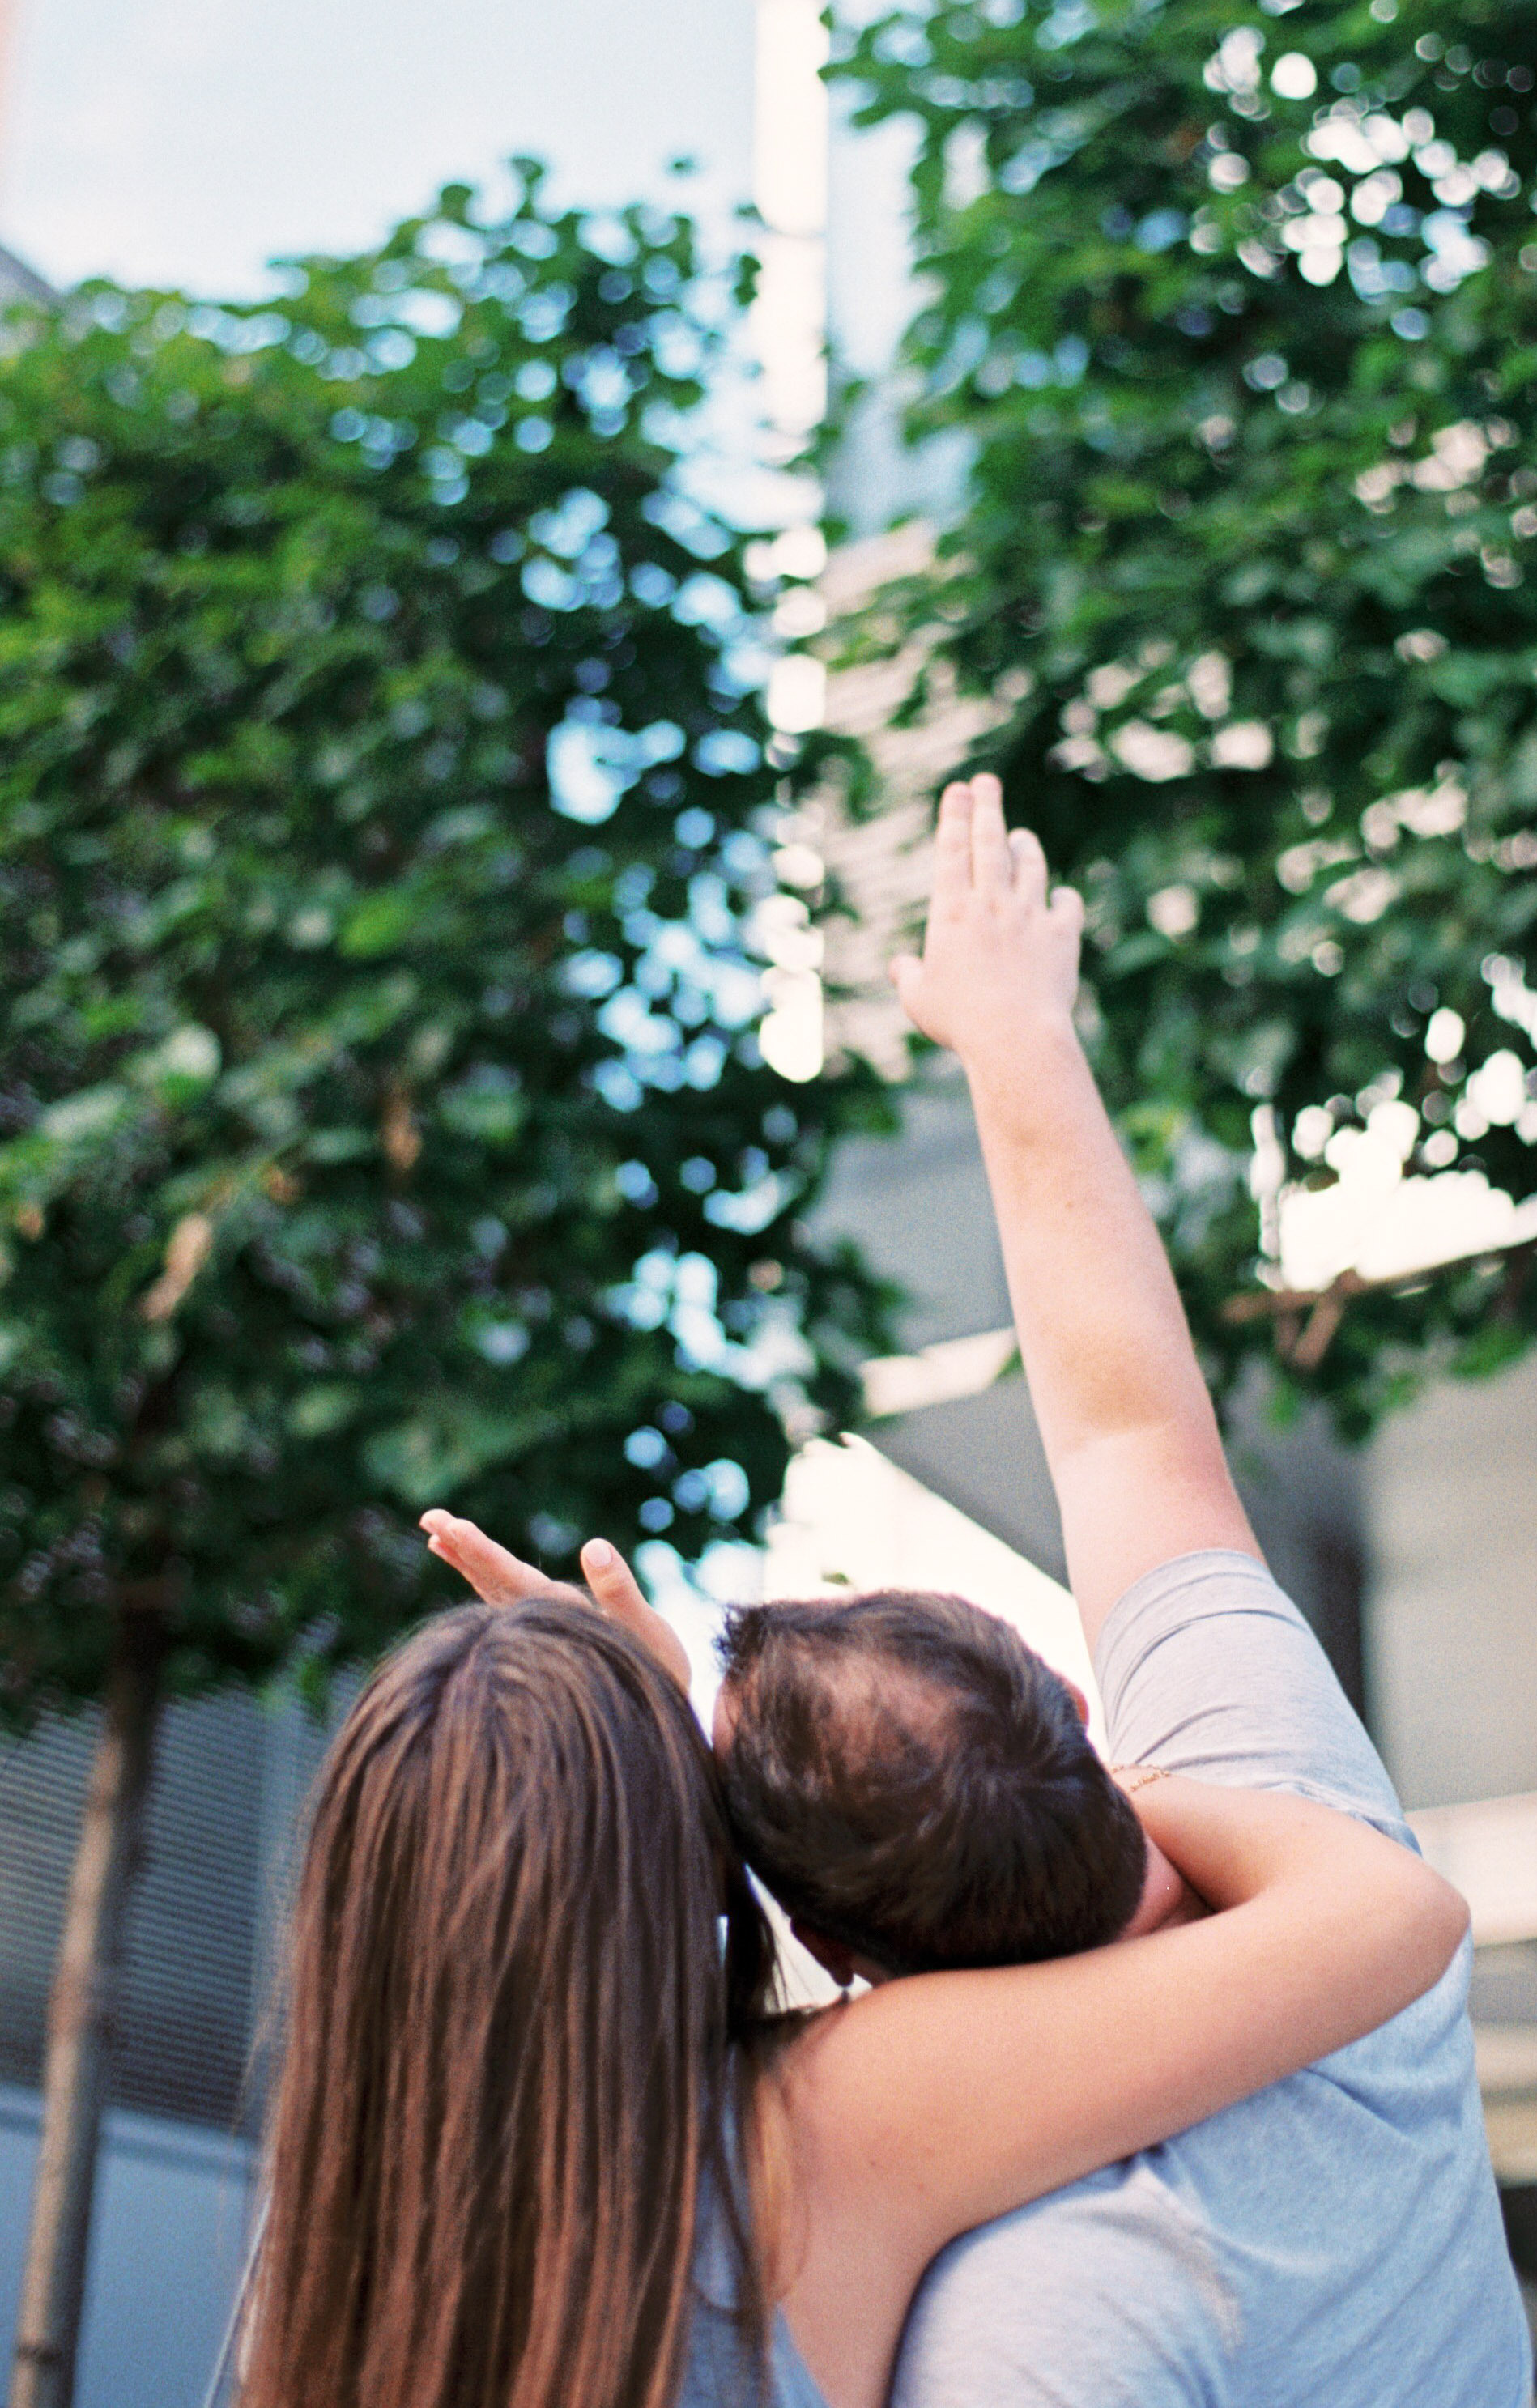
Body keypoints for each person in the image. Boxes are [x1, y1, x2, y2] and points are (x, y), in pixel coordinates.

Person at [239, 781, 1467, 2408]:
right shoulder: (874, 2161)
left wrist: (656, 1785)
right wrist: (1019, 1029)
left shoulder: (312, 2291)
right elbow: (1126, 1435)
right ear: (1078, 1710)